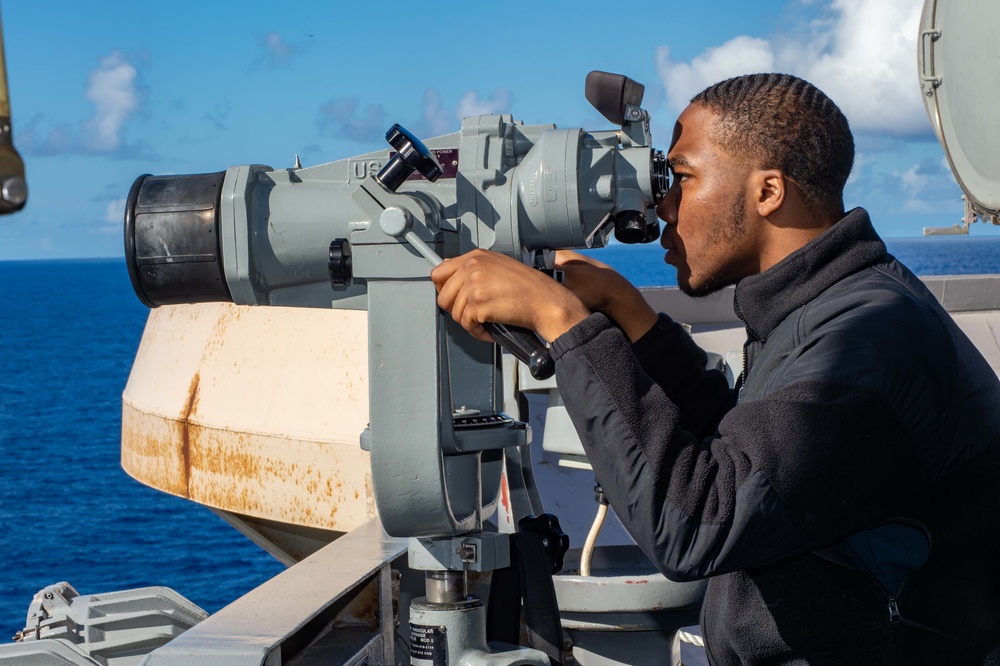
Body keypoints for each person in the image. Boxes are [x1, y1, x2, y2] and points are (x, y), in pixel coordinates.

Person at [431, 73, 1000, 664]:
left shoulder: (868, 342)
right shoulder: (827, 305)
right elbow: (757, 456)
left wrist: (565, 325)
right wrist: (629, 314)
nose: (661, 211)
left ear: (768, 192)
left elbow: (697, 521)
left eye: (681, 180)